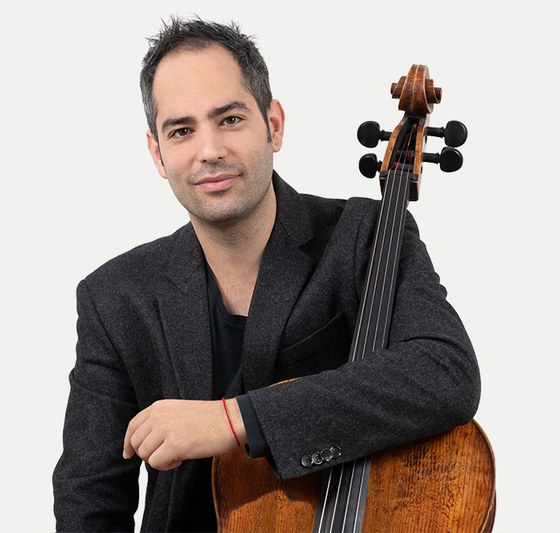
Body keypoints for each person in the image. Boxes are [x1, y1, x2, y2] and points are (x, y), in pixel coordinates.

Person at [53, 17, 480, 533]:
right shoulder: (115, 297)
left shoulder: (363, 238)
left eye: (230, 119)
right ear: (157, 154)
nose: (210, 150)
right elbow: (89, 500)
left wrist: (233, 419)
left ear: (273, 125)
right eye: (182, 131)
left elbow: (445, 371)